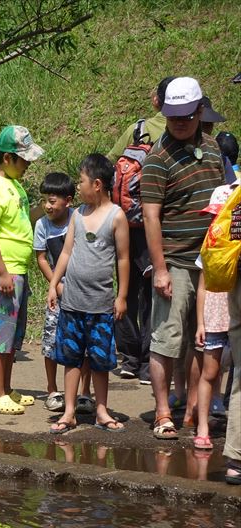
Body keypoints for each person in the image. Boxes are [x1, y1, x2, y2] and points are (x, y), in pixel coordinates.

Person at [140, 77, 224, 440]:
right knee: (166, 338)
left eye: (186, 116)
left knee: (199, 340)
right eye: (173, 116)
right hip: (174, 260)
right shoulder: (157, 159)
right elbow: (150, 216)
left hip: (210, 263)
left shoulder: (214, 150)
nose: (179, 123)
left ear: (200, 111)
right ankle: (162, 412)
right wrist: (159, 269)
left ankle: (192, 409)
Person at [46, 154, 130, 434]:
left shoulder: (116, 216)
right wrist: (53, 283)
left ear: (97, 184)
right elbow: (67, 251)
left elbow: (123, 259)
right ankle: (69, 411)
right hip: (72, 301)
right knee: (70, 358)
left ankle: (101, 410)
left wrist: (122, 296)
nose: (77, 187)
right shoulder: (77, 215)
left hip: (100, 304)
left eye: (81, 181)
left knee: (99, 360)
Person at [107, 77, 178, 384]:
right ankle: (150, 363)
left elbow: (108, 163)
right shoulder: (183, 134)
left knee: (126, 290)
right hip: (162, 225)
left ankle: (129, 358)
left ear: (155, 100)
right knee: (155, 295)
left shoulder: (137, 129)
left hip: (127, 222)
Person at [0, 126, 45, 416]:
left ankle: (6, 389)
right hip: (3, 271)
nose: (28, 165)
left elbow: (17, 222)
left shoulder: (13, 183)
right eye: (24, 159)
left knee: (13, 336)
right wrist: (2, 272)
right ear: (7, 158)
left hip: (17, 270)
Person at [34, 172, 75, 412]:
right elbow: (41, 258)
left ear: (67, 201)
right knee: (51, 340)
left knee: (82, 341)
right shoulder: (42, 225)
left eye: (52, 201)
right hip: (57, 289)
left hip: (81, 288)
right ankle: (52, 389)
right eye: (45, 201)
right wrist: (55, 284)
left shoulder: (78, 218)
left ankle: (84, 393)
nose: (47, 206)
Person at [193, 270, 230, 451]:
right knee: (209, 372)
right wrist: (200, 323)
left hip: (235, 315)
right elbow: (202, 287)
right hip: (214, 317)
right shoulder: (213, 242)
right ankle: (202, 427)